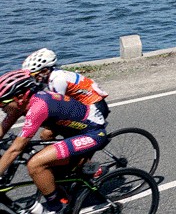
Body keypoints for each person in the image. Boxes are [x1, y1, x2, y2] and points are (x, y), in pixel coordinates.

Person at [0, 69, 107, 214]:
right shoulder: (21, 104)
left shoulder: (38, 106)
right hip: (72, 130)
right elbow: (2, 128)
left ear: (20, 97)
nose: (1, 107)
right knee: (48, 162)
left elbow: (15, 149)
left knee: (35, 164)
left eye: (3, 102)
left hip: (93, 133)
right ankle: (66, 189)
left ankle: (57, 207)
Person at [21, 48, 110, 140]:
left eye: (34, 75)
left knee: (48, 134)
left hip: (95, 107)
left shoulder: (58, 80)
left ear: (45, 71)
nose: (33, 79)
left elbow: (58, 105)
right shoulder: (54, 74)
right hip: (87, 105)